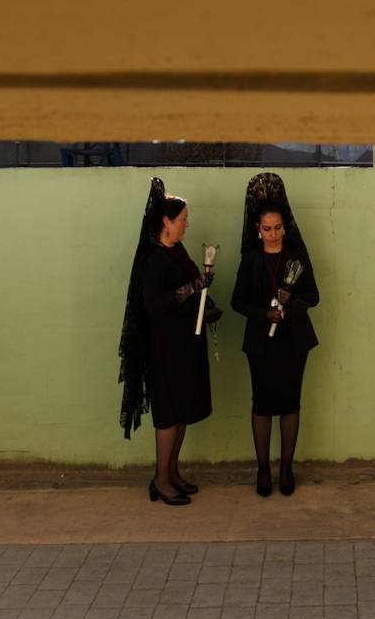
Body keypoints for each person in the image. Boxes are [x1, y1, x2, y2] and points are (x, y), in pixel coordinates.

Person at [118, 178, 218, 506]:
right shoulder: (154, 260)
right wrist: (192, 288)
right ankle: (161, 480)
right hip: (164, 350)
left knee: (181, 413)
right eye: (183, 219)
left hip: (184, 347)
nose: (187, 224)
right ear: (166, 222)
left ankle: (172, 473)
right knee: (167, 415)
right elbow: (154, 305)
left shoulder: (177, 252)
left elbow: (187, 292)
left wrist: (203, 298)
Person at [231, 173, 320, 497]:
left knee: (290, 403)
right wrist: (263, 314)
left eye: (278, 228)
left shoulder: (297, 256)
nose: (273, 233)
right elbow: (237, 301)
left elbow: (313, 295)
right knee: (262, 404)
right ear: (257, 230)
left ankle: (286, 466)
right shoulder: (251, 260)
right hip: (260, 343)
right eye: (267, 229)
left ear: (285, 226)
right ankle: (263, 468)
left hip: (293, 341)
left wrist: (293, 305)